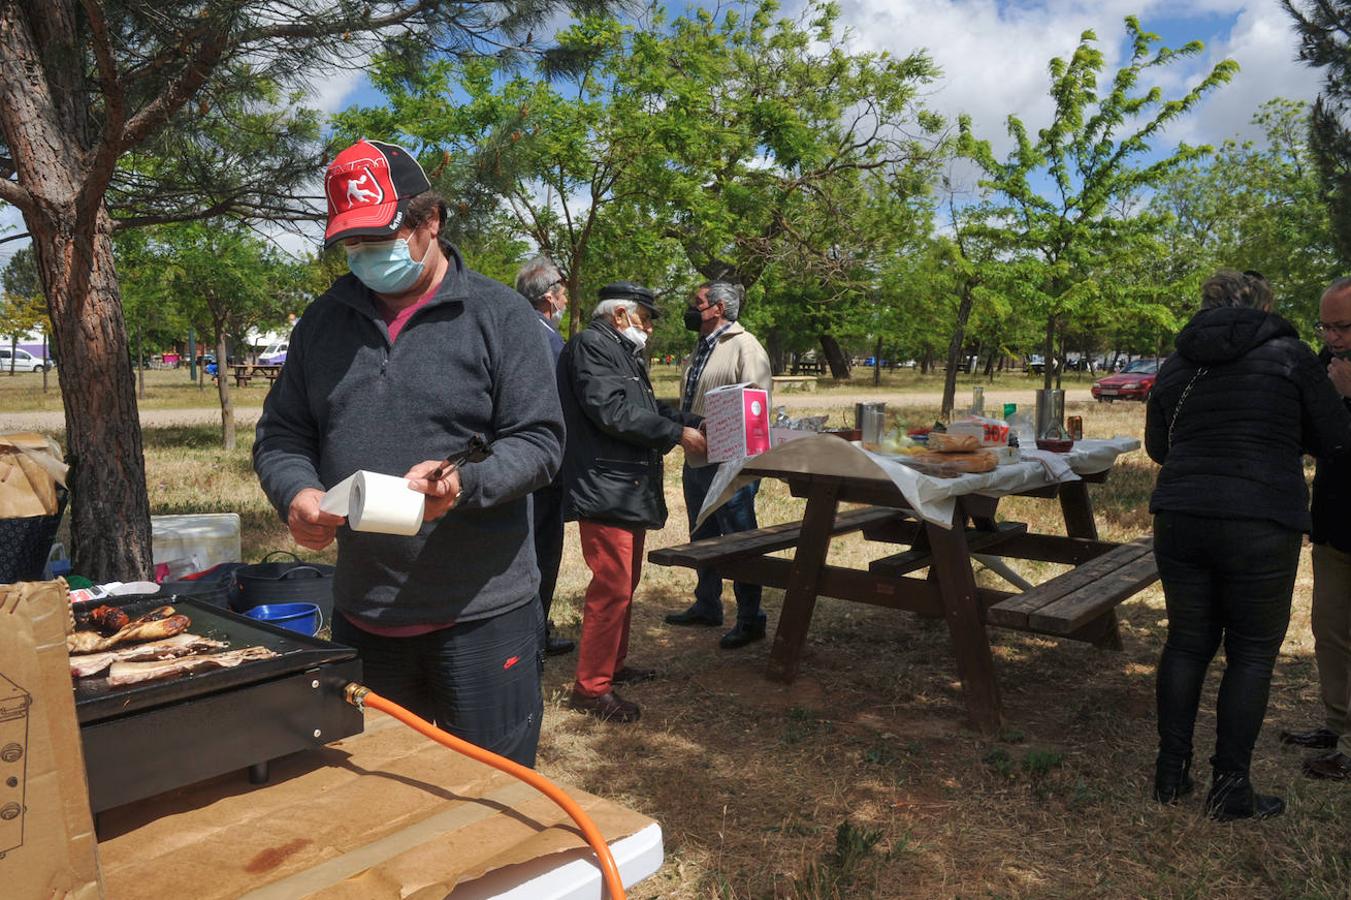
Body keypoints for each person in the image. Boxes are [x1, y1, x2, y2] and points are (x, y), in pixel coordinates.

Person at [253, 139, 564, 767]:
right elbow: (283, 435)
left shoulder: (500, 316)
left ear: (430, 221)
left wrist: (464, 485)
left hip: (482, 613)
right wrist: (297, 493)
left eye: (381, 234)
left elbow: (540, 442)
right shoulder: (321, 323)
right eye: (351, 242)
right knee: (380, 784)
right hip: (365, 611)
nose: (366, 254)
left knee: (493, 788)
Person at [1145, 269, 1351, 820]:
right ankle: (1230, 787)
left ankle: (1171, 773)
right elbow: (1334, 439)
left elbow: (1158, 445)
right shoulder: (1290, 355)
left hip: (1181, 516)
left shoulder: (1178, 362)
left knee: (1187, 643)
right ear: (1264, 305)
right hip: (1260, 521)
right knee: (1252, 654)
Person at [557, 282, 705, 722]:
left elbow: (644, 405)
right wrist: (677, 433)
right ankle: (591, 688)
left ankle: (612, 667)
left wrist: (687, 419)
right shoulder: (591, 346)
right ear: (620, 314)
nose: (651, 327)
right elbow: (612, 411)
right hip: (607, 487)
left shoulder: (620, 350)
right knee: (612, 588)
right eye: (645, 317)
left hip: (624, 486)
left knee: (625, 585)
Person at [663, 281, 774, 648]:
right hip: (697, 459)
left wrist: (728, 437)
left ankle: (750, 618)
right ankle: (707, 604)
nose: (691, 308)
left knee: (740, 540)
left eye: (698, 302)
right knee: (703, 536)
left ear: (719, 309)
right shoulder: (701, 347)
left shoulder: (746, 346)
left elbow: (757, 406)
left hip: (732, 464)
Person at [1281, 276, 1351, 780]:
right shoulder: (1326, 364)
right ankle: (1338, 724)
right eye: (1325, 327)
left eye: (1343, 327)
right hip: (1333, 522)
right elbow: (1319, 441)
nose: (1332, 337)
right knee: (1330, 631)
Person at [514, 255, 576, 657]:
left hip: (523, 464)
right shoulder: (547, 339)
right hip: (543, 468)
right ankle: (536, 636)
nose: (567, 299)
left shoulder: (516, 329)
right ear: (551, 298)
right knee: (542, 552)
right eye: (564, 293)